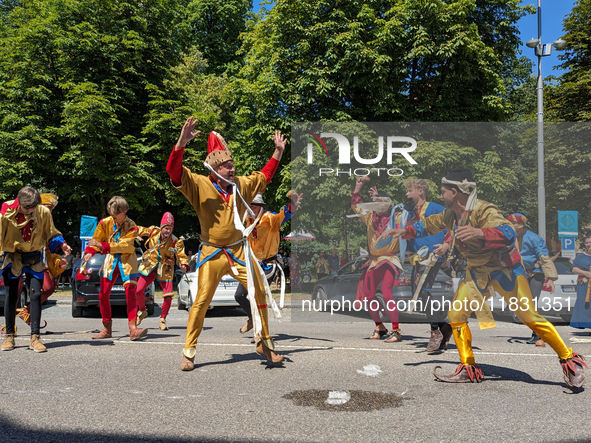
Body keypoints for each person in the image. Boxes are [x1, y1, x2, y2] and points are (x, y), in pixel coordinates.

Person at [383, 168, 586, 388]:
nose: (440, 196)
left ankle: (568, 361)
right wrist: (404, 232)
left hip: (505, 271)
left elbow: (508, 232)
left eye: (443, 192)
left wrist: (480, 233)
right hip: (477, 272)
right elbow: (428, 224)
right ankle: (467, 367)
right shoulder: (450, 215)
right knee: (456, 315)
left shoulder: (483, 209)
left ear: (454, 191)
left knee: (529, 316)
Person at [166, 116, 286, 371]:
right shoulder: (198, 184)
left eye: (232, 165)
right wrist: (181, 144)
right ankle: (189, 352)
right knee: (200, 302)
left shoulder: (240, 185)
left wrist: (277, 152)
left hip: (239, 250)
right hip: (211, 252)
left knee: (260, 292)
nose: (232, 169)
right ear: (213, 169)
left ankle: (265, 343)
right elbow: (174, 173)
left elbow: (264, 176)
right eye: (226, 166)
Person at [0, 187, 69, 353]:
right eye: (27, 209)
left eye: (33, 209)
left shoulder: (42, 212)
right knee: (11, 296)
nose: (31, 212)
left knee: (37, 295)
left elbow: (51, 232)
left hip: (34, 257)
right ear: (20, 203)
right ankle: (9, 335)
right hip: (13, 256)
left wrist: (62, 245)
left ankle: (35, 337)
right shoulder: (7, 209)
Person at [234, 191, 301, 334]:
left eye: (253, 206)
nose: (250, 210)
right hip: (251, 264)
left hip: (267, 266)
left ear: (260, 206)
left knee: (258, 295)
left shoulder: (270, 218)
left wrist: (293, 204)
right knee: (239, 295)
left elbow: (285, 215)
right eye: (248, 206)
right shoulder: (247, 220)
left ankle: (260, 334)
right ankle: (252, 318)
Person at [84, 196, 147, 341]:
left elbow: (126, 246)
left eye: (116, 216)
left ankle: (133, 329)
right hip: (110, 261)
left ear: (125, 211)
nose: (113, 219)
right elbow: (97, 239)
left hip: (127, 261)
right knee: (103, 294)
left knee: (131, 293)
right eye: (111, 216)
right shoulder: (105, 223)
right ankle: (106, 328)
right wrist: (90, 252)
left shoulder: (132, 226)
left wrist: (103, 246)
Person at [352, 178, 405, 343]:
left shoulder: (398, 217)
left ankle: (396, 330)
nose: (379, 205)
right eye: (376, 202)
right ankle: (380, 327)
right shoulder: (369, 217)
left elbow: (414, 220)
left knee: (387, 293)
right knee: (368, 295)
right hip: (373, 261)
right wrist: (358, 187)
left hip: (389, 259)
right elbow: (356, 206)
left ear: (390, 204)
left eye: (383, 202)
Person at [403, 179, 452, 353]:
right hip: (417, 258)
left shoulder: (436, 208)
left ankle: (435, 332)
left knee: (423, 291)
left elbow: (452, 226)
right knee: (418, 293)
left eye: (410, 190)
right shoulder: (410, 213)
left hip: (433, 254)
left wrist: (447, 245)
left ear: (420, 191)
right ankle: (444, 326)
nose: (407, 194)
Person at [13, 193, 70, 331]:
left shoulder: (46, 219)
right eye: (48, 207)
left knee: (49, 287)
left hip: (38, 260)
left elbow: (52, 239)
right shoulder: (19, 214)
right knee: (14, 291)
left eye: (51, 208)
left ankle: (27, 312)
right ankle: (10, 327)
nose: (49, 211)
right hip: (17, 257)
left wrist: (59, 255)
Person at [508, 213, 558, 346]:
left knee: (532, 304)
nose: (511, 226)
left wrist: (550, 278)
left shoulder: (534, 238)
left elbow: (544, 257)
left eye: (514, 223)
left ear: (521, 224)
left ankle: (539, 335)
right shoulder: (510, 238)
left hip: (535, 275)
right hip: (519, 274)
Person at [135, 212, 190, 331]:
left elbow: (181, 254)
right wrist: (134, 234)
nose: (168, 231)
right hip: (150, 265)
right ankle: (142, 310)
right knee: (138, 290)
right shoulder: (153, 232)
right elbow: (138, 229)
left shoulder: (176, 241)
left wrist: (184, 264)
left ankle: (162, 319)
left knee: (168, 295)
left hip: (165, 268)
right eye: (166, 228)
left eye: (170, 228)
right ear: (161, 227)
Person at [570, 236, 591, 331]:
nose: (589, 244)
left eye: (590, 242)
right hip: (584, 285)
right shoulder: (580, 257)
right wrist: (586, 273)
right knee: (585, 305)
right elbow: (573, 268)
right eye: (587, 242)